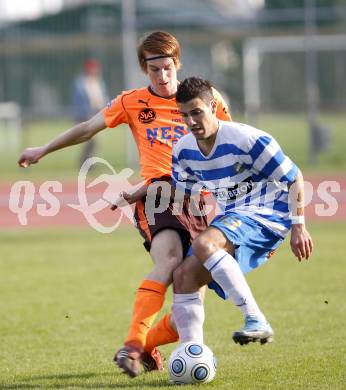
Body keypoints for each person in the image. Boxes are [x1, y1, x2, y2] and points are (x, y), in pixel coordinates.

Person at [17, 32, 232, 377]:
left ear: (177, 64)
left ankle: (145, 347)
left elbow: (230, 145)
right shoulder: (132, 102)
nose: (161, 77)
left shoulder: (205, 99)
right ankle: (132, 346)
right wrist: (42, 149)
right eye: (153, 70)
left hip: (198, 203)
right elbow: (88, 128)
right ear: (143, 69)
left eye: (166, 68)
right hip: (157, 195)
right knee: (170, 260)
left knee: (186, 306)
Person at [171, 77, 313, 346]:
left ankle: (256, 319)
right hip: (234, 217)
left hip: (269, 215)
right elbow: (184, 196)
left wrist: (299, 227)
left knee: (205, 244)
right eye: (184, 115)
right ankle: (191, 352)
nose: (190, 122)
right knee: (183, 275)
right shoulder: (184, 150)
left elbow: (294, 178)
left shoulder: (247, 139)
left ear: (214, 107)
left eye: (197, 112)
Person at [71, 58, 108, 168]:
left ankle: (88, 163)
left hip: (98, 115)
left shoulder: (99, 82)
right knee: (90, 140)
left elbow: (103, 97)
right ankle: (86, 164)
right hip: (84, 116)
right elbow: (78, 101)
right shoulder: (80, 82)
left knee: (95, 141)